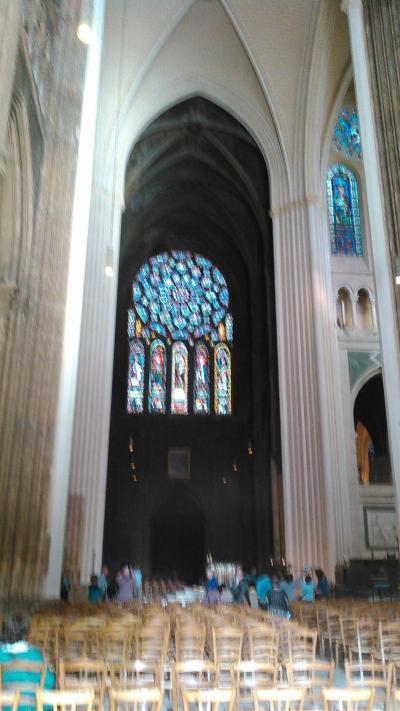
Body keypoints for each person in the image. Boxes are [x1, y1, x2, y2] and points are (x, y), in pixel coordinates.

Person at [0, 615, 54, 710]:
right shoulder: (36, 654)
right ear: (26, 633)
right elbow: (50, 682)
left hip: (5, 706)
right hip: (34, 706)